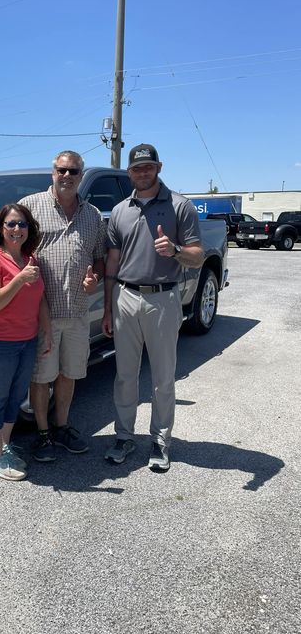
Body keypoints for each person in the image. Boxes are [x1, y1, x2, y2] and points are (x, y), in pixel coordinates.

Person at [102, 143, 204, 472]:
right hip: (125, 297)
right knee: (125, 375)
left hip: (163, 297)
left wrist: (174, 250)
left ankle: (160, 440)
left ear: (159, 167)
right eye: (136, 168)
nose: (142, 173)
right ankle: (124, 435)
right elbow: (112, 264)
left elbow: (197, 256)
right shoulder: (120, 211)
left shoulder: (180, 207)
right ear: (129, 172)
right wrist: (107, 308)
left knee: (163, 377)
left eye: (148, 167)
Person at [19, 150, 106, 462]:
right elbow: (9, 247)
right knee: (41, 377)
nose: (67, 176)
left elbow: (99, 255)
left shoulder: (92, 215)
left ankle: (62, 426)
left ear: (81, 176)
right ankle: (42, 434)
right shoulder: (30, 207)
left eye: (73, 172)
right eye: (61, 170)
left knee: (69, 374)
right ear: (52, 172)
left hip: (78, 312)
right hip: (43, 314)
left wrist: (94, 276)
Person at [0, 204, 52, 481]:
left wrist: (47, 331)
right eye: (11, 224)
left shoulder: (31, 259)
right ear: (0, 228)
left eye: (22, 224)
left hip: (26, 339)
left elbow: (39, 299)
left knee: (16, 396)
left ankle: (3, 446)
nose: (17, 229)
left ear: (30, 230)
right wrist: (19, 279)